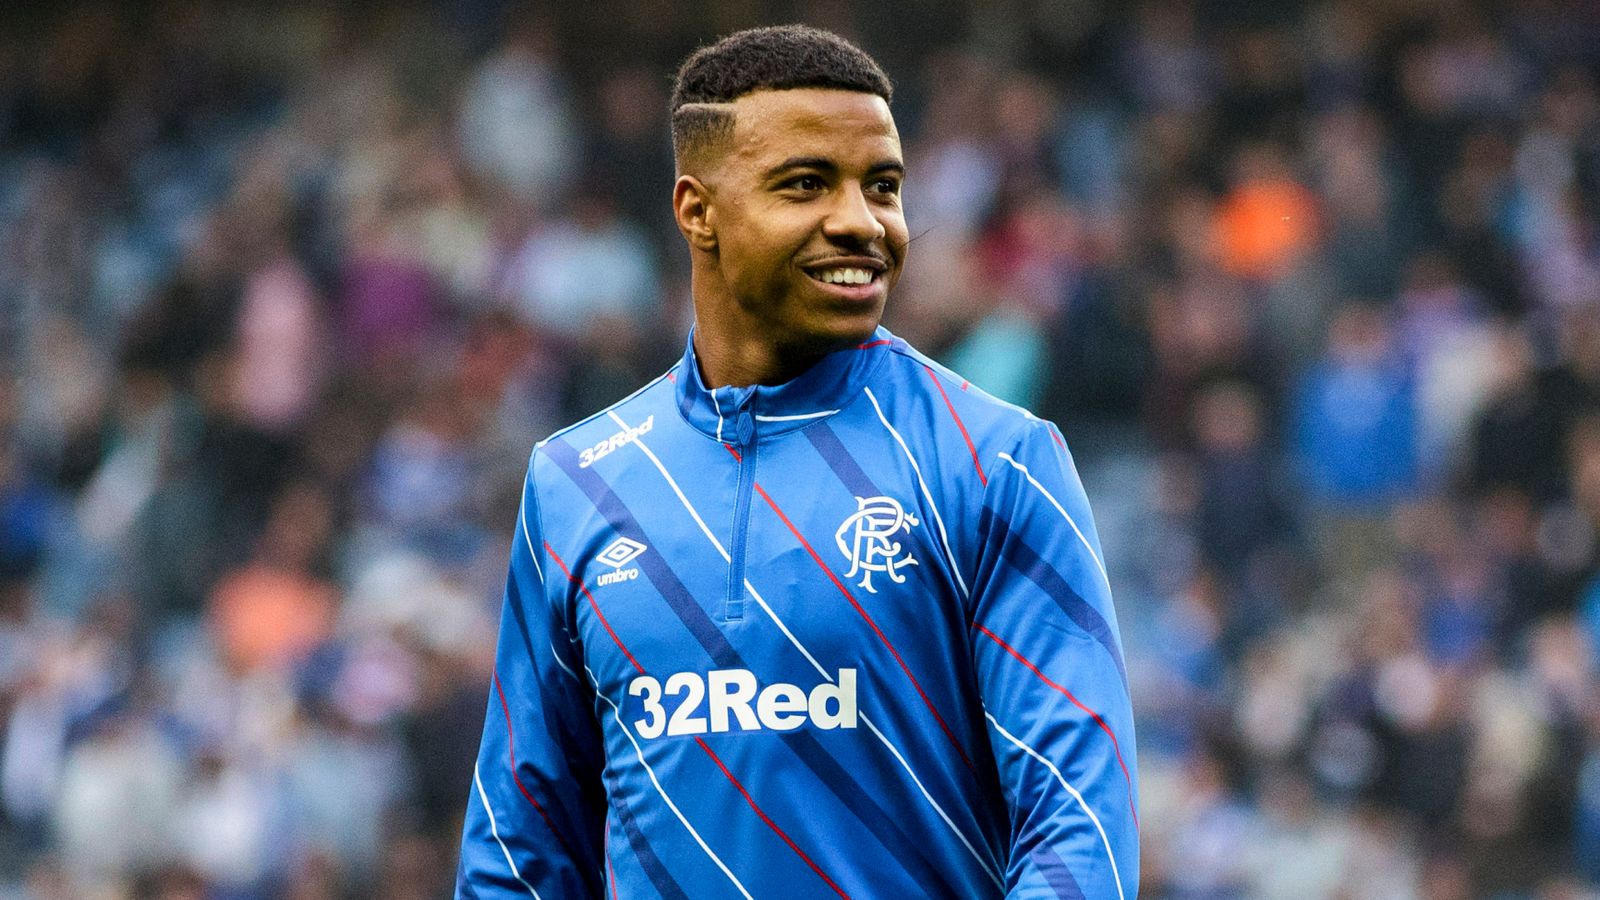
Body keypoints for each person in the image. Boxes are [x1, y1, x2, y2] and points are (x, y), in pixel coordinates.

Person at [456, 25, 1138, 899]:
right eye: (807, 183)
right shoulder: (573, 481)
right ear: (697, 210)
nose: (862, 222)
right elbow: (518, 855)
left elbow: (1078, 838)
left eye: (883, 186)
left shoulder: (995, 462)